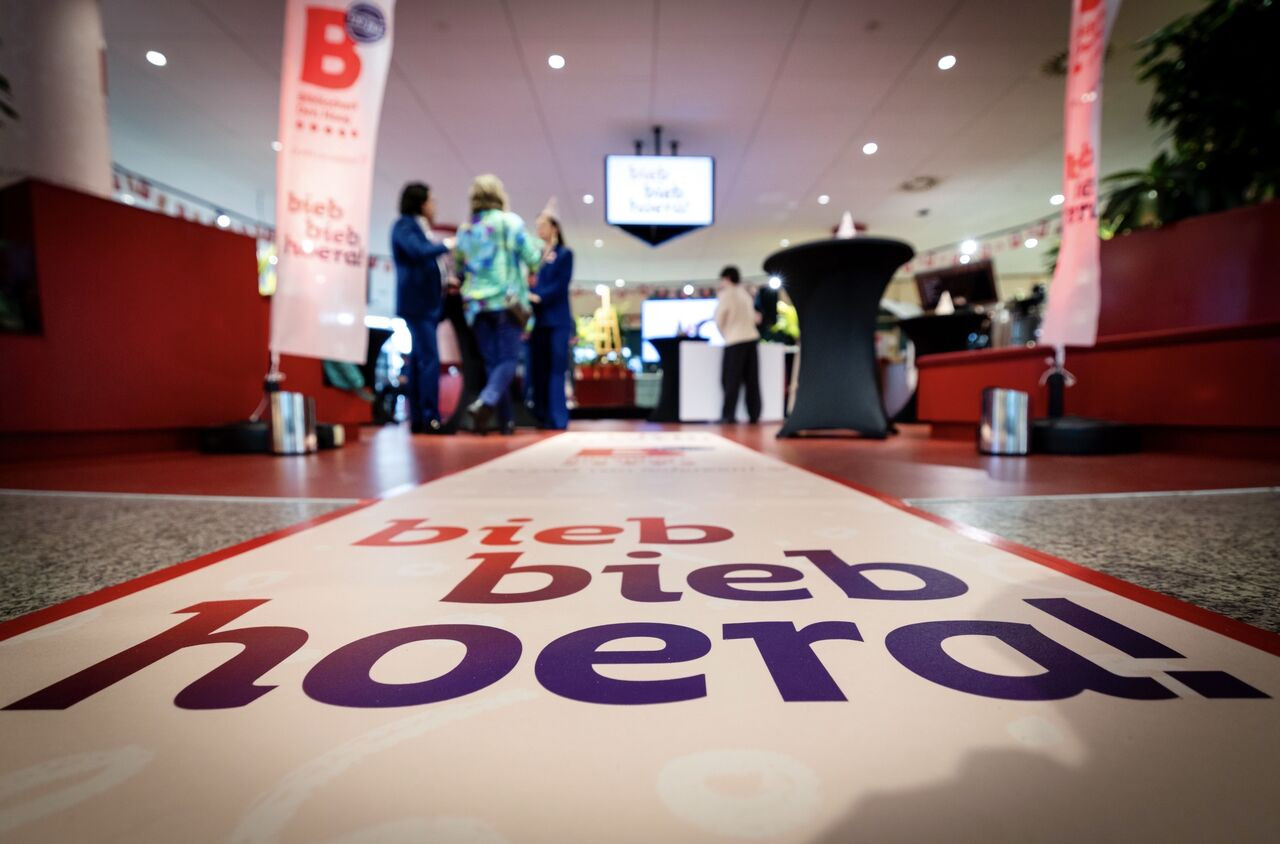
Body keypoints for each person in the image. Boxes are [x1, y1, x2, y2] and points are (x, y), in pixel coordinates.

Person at [454, 174, 543, 433]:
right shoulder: (509, 222)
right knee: (508, 361)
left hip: (476, 307)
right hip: (507, 303)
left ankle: (505, 422)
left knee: (493, 363)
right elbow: (533, 258)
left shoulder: (465, 229)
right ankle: (487, 400)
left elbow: (459, 267)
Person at [391, 182, 453, 434]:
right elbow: (418, 251)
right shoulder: (405, 226)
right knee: (428, 359)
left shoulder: (417, 227)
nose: (434, 205)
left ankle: (419, 417)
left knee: (420, 359)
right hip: (418, 304)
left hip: (425, 305)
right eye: (431, 200)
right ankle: (430, 417)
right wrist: (447, 244)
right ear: (420, 203)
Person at [528, 199, 574, 430]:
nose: (540, 229)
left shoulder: (564, 254)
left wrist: (539, 296)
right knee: (539, 369)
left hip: (557, 321)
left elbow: (560, 284)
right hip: (539, 322)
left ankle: (558, 417)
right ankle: (541, 415)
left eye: (543, 225)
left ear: (554, 227)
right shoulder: (536, 257)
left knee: (557, 368)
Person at [714, 265, 761, 423]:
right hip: (751, 339)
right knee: (752, 380)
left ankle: (728, 415)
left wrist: (725, 334)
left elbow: (719, 317)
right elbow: (754, 317)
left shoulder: (727, 294)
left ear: (726, 278)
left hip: (735, 340)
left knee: (730, 380)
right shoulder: (745, 293)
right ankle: (754, 414)